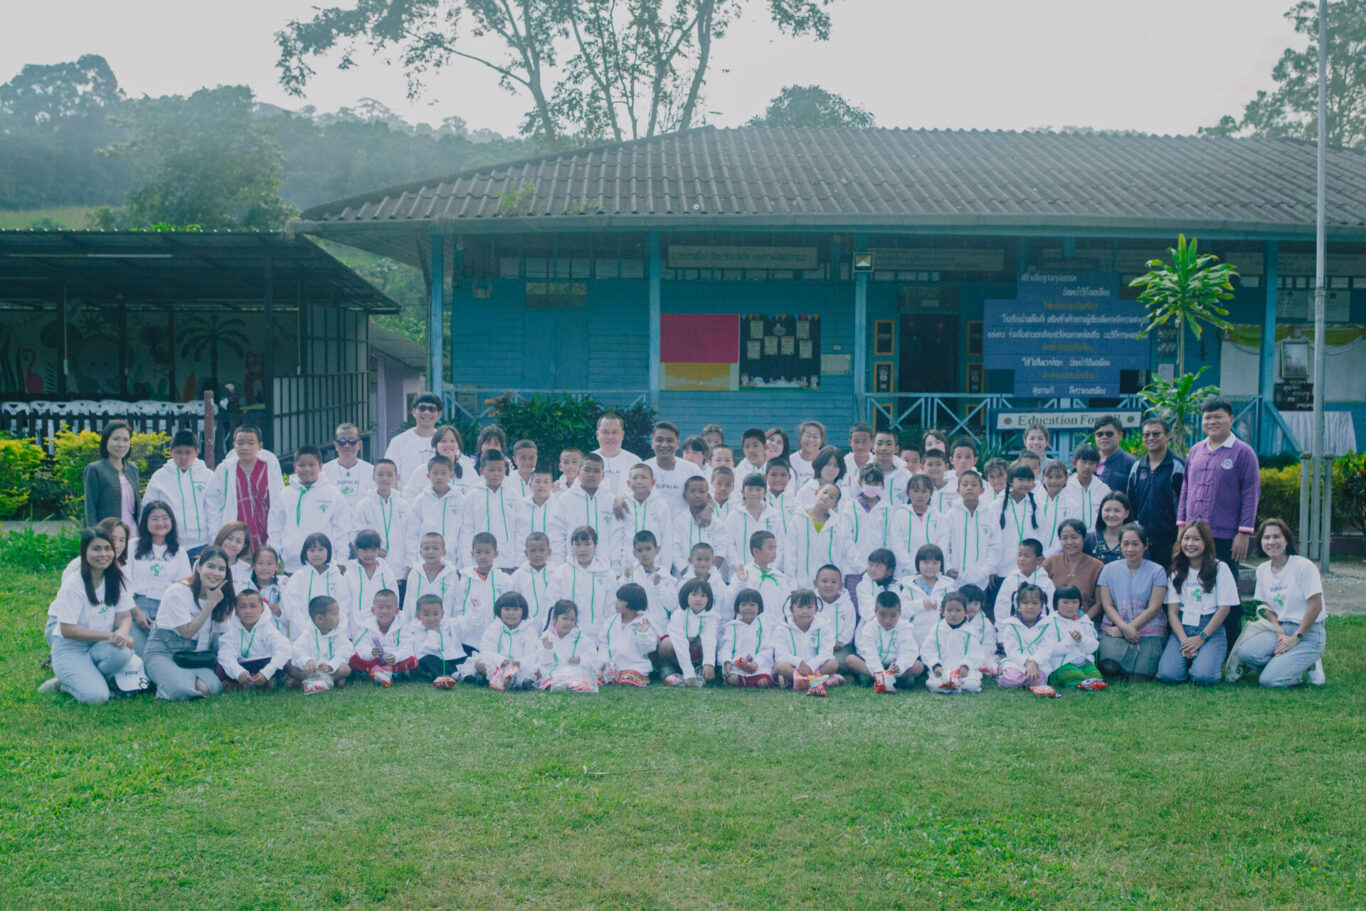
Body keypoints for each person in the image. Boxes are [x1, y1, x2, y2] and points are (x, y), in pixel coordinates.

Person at [1177, 397, 1260, 647]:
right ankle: (1195, 642)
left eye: (1218, 417)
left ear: (1231, 419)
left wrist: (1244, 532)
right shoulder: (1195, 450)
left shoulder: (1243, 452)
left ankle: (1233, 646)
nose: (1212, 422)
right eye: (1208, 417)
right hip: (1193, 537)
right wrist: (1182, 526)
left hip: (1225, 536)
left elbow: (1251, 493)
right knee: (1195, 589)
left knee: (1227, 593)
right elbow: (1186, 489)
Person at [42, 527, 135, 704]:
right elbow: (67, 630)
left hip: (98, 645)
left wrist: (122, 632)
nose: (103, 554)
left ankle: (82, 678)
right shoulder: (74, 583)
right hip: (70, 648)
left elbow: (124, 616)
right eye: (96, 549)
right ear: (84, 552)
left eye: (107, 548)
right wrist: (109, 635)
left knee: (123, 652)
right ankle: (64, 683)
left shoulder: (116, 578)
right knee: (97, 697)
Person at [1230, 518, 1327, 687]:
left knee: (1268, 681)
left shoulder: (1304, 566)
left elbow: (1315, 606)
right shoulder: (1262, 570)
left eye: (1276, 537)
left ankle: (1311, 663)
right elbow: (1267, 608)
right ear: (1260, 542)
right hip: (1281, 628)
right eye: (1266, 537)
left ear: (1286, 540)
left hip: (1308, 632)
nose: (1271, 542)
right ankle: (1292, 666)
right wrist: (1280, 635)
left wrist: (1296, 638)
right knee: (1245, 653)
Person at [144, 546, 235, 701]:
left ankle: (178, 679)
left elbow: (223, 635)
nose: (215, 573)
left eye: (221, 569)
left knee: (210, 687)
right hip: (164, 651)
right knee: (181, 691)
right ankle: (167, 680)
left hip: (194, 655)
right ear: (199, 567)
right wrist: (210, 605)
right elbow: (187, 632)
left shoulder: (220, 595)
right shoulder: (178, 591)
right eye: (211, 566)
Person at [1157, 520, 1237, 686]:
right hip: (1182, 628)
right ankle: (1190, 658)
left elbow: (1224, 609)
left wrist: (1201, 638)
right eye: (1186, 538)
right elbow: (1172, 612)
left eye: (1196, 539)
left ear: (1206, 542)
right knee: (1168, 675)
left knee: (1204, 677)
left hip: (1210, 630)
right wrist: (1184, 640)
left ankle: (1202, 659)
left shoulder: (1220, 568)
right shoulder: (1176, 571)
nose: (1190, 544)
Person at [1095, 523, 1169, 680]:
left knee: (1141, 674)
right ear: (1120, 545)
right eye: (1125, 544)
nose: (1130, 549)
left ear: (1145, 545)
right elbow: (1107, 605)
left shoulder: (1157, 571)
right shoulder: (1108, 570)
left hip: (1149, 628)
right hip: (1117, 624)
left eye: (1135, 544)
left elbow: (1154, 607)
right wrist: (1123, 628)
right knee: (1109, 663)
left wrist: (1131, 628)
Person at [203, 425, 284, 551]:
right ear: (234, 445)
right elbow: (212, 504)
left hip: (265, 533)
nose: (245, 447)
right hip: (235, 535)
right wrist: (216, 536)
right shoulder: (224, 470)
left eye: (251, 443)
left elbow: (279, 503)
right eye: (240, 443)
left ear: (260, 446)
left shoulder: (270, 468)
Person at [129, 501, 192, 655]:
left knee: (158, 654)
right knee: (139, 653)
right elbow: (123, 583)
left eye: (165, 518)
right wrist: (137, 613)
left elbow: (184, 587)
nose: (160, 523)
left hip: (165, 608)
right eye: (155, 518)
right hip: (136, 605)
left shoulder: (179, 552)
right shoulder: (132, 546)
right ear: (145, 522)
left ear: (172, 521)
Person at [280, 445, 352, 574]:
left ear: (320, 466)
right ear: (295, 466)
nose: (307, 469)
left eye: (311, 465)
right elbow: (275, 528)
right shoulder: (285, 494)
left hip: (325, 566)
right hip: (292, 565)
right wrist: (275, 556)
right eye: (302, 465)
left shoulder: (333, 494)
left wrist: (342, 560)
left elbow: (342, 529)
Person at [143, 429, 214, 554]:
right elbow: (147, 509)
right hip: (169, 544)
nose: (183, 457)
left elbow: (214, 509)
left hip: (202, 544)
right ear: (170, 452)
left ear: (196, 452)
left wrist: (214, 541)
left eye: (188, 453)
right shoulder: (159, 477)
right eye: (178, 452)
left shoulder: (208, 476)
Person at [1126, 417, 1184, 568]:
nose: (1151, 438)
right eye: (1146, 434)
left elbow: (1185, 507)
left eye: (1156, 434)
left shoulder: (1177, 467)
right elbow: (1131, 506)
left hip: (1169, 542)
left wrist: (1180, 539)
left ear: (1167, 435)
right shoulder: (1137, 467)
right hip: (1142, 543)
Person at [457, 449, 528, 572]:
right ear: (481, 471)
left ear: (505, 470)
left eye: (500, 470)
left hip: (508, 562)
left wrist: (519, 562)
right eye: (491, 470)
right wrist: (469, 563)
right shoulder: (473, 496)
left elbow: (521, 530)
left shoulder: (514, 495)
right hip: (480, 563)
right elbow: (467, 530)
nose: (496, 474)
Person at [547, 453, 622, 569]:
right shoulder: (565, 500)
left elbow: (617, 536)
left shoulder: (612, 501)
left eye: (596, 471)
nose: (591, 474)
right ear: (578, 473)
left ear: (603, 475)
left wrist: (616, 567)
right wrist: (559, 566)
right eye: (587, 470)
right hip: (572, 568)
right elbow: (556, 534)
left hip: (604, 569)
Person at [618, 531, 678, 661]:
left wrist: (658, 586)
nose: (644, 553)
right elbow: (622, 598)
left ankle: (664, 666)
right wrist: (625, 579)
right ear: (634, 553)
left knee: (668, 645)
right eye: (640, 550)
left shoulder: (664, 574)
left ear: (657, 550)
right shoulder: (630, 573)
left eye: (648, 549)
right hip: (639, 623)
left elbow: (672, 604)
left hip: (661, 625)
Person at [215, 589, 292, 691]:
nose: (248, 611)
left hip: (264, 665)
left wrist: (266, 673)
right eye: (242, 607)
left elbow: (284, 649)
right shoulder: (232, 631)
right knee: (220, 668)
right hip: (243, 666)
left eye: (253, 606)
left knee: (287, 663)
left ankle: (254, 683)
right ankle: (249, 684)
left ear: (262, 609)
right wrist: (239, 672)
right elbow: (226, 655)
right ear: (236, 611)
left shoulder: (268, 628)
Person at [549, 526, 615, 641]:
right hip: (565, 638)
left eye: (587, 544)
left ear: (595, 545)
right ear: (572, 546)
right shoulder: (561, 572)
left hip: (597, 639)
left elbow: (611, 611)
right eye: (578, 544)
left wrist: (606, 639)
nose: (582, 549)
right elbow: (551, 606)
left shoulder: (607, 574)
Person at [848, 590, 922, 690]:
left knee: (918, 666)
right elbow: (870, 654)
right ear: (875, 612)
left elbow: (908, 651)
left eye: (892, 616)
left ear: (899, 613)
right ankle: (883, 679)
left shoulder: (905, 627)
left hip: (894, 668)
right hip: (874, 667)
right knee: (850, 660)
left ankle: (882, 679)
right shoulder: (869, 628)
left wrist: (899, 666)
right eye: (882, 615)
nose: (887, 621)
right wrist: (880, 673)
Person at [452, 532, 509, 656]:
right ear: (472, 554)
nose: (483, 556)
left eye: (487, 552)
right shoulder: (465, 579)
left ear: (496, 554)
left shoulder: (504, 580)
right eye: (478, 552)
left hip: (495, 638)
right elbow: (458, 608)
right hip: (468, 638)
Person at [351, 458, 410, 579]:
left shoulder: (403, 505)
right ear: (373, 477)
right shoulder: (364, 505)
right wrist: (373, 550)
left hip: (400, 570)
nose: (385, 478)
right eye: (380, 474)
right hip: (371, 568)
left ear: (396, 478)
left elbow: (411, 537)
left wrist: (410, 563)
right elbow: (356, 536)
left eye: (389, 475)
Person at [771, 588, 841, 690]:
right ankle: (820, 681)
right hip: (794, 668)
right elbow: (781, 654)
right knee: (780, 666)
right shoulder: (782, 628)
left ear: (816, 610)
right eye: (800, 607)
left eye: (809, 607)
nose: (805, 612)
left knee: (832, 664)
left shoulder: (823, 627)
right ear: (791, 609)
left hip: (815, 667)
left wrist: (811, 665)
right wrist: (799, 662)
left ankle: (797, 682)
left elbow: (826, 652)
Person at [941, 470, 998, 593]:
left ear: (982, 490)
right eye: (965, 485)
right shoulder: (951, 515)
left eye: (974, 485)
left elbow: (995, 546)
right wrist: (947, 567)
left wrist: (986, 570)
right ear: (958, 490)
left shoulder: (989, 515)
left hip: (981, 580)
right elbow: (944, 544)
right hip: (956, 578)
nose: (969, 488)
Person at [282, 533, 345, 640]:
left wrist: (330, 629)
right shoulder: (298, 577)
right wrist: (306, 631)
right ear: (305, 552)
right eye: (312, 550)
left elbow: (343, 605)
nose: (316, 554)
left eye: (321, 550)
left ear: (328, 551)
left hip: (332, 635)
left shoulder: (336, 577)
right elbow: (292, 608)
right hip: (302, 636)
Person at [995, 583, 1059, 690]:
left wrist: (1034, 662)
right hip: (1017, 662)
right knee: (1012, 681)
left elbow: (1046, 648)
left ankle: (1025, 679)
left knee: (1037, 682)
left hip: (1038, 663)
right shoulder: (1011, 625)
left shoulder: (1047, 625)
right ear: (1018, 605)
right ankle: (1004, 674)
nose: (1030, 607)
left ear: (1042, 605)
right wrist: (1027, 663)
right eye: (1025, 603)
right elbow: (1012, 651)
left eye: (1035, 603)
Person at [405, 455, 464, 571]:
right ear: (428, 476)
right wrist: (412, 562)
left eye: (443, 473)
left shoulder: (460, 500)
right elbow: (412, 533)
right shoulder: (421, 500)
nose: (439, 477)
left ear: (451, 476)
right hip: (425, 562)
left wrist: (461, 564)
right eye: (435, 473)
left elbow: (462, 533)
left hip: (452, 562)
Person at [842, 466, 895, 591]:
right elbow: (845, 539)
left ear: (882, 484)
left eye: (876, 483)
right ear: (860, 482)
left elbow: (890, 539)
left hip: (880, 573)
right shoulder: (851, 507)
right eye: (868, 482)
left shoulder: (887, 509)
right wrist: (861, 567)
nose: (872, 487)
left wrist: (881, 567)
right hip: (854, 570)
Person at [784, 482, 848, 587]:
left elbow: (839, 556)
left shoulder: (836, 526)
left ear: (835, 505)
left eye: (831, 497)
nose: (826, 497)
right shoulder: (799, 520)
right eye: (825, 492)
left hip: (826, 586)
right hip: (802, 584)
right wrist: (791, 583)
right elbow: (790, 553)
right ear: (817, 493)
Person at [922, 591, 986, 694]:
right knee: (932, 684)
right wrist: (935, 665)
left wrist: (966, 666)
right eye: (949, 610)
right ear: (942, 612)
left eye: (958, 610)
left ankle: (956, 686)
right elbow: (928, 650)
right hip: (943, 671)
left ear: (965, 611)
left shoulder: (969, 631)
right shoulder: (937, 630)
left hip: (963, 673)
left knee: (972, 685)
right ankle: (953, 686)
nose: (953, 614)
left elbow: (976, 653)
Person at [347, 589, 416, 684]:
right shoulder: (367, 626)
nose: (384, 611)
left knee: (413, 661)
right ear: (373, 610)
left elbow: (408, 647)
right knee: (354, 659)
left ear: (396, 610)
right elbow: (360, 646)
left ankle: (389, 671)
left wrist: (396, 656)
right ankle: (377, 671)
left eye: (388, 607)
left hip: (393, 660)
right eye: (380, 607)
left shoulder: (402, 626)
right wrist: (371, 652)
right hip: (375, 661)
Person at [342, 529, 401, 638]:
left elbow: (394, 602)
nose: (368, 554)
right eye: (364, 550)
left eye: (373, 550)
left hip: (382, 631)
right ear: (356, 548)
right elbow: (344, 606)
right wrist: (346, 634)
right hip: (356, 630)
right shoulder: (349, 574)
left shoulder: (387, 573)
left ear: (379, 550)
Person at [1043, 520, 1104, 621]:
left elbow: (1099, 603)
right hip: (1053, 621)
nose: (1069, 542)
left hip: (1085, 621)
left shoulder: (1097, 566)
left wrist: (1082, 621)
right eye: (1064, 538)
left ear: (1084, 538)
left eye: (1074, 537)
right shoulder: (1050, 562)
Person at [83, 420, 140, 529]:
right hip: (108, 533)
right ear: (106, 440)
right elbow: (90, 508)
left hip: (133, 532)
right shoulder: (95, 470)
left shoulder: (133, 469)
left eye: (126, 440)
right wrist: (95, 534)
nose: (121, 444)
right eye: (116, 439)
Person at [289, 595, 354, 691]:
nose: (338, 618)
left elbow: (345, 651)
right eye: (335, 614)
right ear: (319, 619)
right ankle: (324, 683)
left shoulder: (338, 633)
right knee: (293, 668)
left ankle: (320, 684)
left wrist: (331, 665)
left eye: (338, 614)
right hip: (312, 671)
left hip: (329, 671)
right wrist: (307, 661)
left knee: (346, 669)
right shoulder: (308, 633)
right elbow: (298, 650)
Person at [673, 476, 734, 575]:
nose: (697, 495)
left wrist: (709, 574)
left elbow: (721, 550)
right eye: (693, 491)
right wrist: (687, 574)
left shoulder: (717, 523)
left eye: (701, 492)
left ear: (708, 496)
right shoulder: (678, 522)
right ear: (684, 496)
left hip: (711, 577)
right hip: (684, 577)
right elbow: (675, 552)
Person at [1047, 586, 1105, 689]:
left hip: (1083, 660)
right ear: (1056, 603)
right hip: (1062, 662)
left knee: (1096, 678)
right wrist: (1070, 641)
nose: (1070, 606)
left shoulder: (1084, 621)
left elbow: (1093, 646)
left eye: (1074, 602)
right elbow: (1051, 649)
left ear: (1080, 604)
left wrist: (1081, 639)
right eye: (1065, 602)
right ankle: (1057, 676)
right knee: (1074, 678)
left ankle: (1085, 679)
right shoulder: (1051, 622)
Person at [474, 592, 537, 687]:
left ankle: (519, 682)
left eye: (515, 609)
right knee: (479, 664)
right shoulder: (494, 627)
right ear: (499, 610)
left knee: (537, 670)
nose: (511, 613)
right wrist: (501, 660)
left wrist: (520, 663)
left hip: (520, 667)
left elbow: (531, 653)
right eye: (507, 609)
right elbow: (486, 650)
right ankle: (504, 680)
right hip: (499, 665)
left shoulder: (529, 630)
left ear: (523, 611)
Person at [617, 464, 672, 571]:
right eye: (635, 478)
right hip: (628, 566)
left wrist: (665, 569)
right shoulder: (624, 504)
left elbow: (666, 538)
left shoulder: (661, 505)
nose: (639, 481)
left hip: (655, 567)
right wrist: (618, 568)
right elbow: (618, 536)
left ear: (652, 482)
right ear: (628, 483)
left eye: (644, 477)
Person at [602, 584, 658, 687]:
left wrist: (643, 633)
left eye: (621, 600)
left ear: (633, 602)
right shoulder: (610, 622)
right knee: (599, 678)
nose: (616, 603)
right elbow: (604, 644)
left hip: (635, 666)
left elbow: (648, 648)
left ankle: (633, 677)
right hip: (613, 665)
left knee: (627, 679)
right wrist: (603, 662)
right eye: (617, 599)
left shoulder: (644, 622)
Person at [383, 392, 444, 487]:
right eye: (422, 408)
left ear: (439, 414)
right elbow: (388, 474)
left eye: (431, 409)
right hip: (407, 496)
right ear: (414, 412)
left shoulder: (445, 442)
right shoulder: (398, 442)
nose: (426, 413)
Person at [644, 421, 705, 514]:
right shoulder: (643, 469)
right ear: (652, 443)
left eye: (670, 440)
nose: (664, 445)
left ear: (677, 444)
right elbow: (627, 496)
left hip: (683, 522)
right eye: (659, 440)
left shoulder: (692, 470)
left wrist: (707, 510)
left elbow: (709, 496)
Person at [730, 530, 794, 619]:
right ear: (756, 551)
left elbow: (787, 606)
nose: (774, 552)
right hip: (752, 625)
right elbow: (731, 602)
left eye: (775, 548)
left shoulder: (780, 577)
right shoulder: (743, 574)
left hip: (777, 625)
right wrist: (741, 583)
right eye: (770, 548)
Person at [534, 601, 602, 682]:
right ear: (554, 618)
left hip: (576, 675)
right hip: (553, 676)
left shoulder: (580, 638)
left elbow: (593, 657)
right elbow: (544, 664)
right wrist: (547, 650)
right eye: (565, 618)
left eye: (572, 620)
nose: (569, 623)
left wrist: (581, 660)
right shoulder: (547, 638)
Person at [666, 579, 718, 686]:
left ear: (709, 599)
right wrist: (688, 672)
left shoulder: (711, 616)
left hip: (696, 652)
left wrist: (709, 663)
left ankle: (702, 671)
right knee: (666, 644)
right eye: (694, 595)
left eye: (703, 596)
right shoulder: (678, 615)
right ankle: (666, 669)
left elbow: (709, 639)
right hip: (677, 653)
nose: (698, 599)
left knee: (708, 642)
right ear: (686, 596)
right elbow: (680, 642)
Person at [892, 474, 944, 579]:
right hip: (905, 573)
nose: (919, 495)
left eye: (924, 491)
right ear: (907, 493)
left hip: (931, 572)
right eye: (915, 491)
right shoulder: (900, 515)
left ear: (931, 493)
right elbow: (896, 544)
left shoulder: (939, 517)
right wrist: (912, 568)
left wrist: (929, 567)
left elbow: (942, 544)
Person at [720, 588, 775, 687]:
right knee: (732, 679)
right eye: (744, 605)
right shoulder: (732, 627)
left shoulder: (765, 627)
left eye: (752, 605)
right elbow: (726, 648)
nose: (748, 608)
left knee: (763, 682)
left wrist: (755, 663)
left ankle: (748, 681)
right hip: (737, 665)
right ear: (737, 607)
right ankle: (744, 681)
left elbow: (767, 650)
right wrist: (726, 661)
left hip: (758, 666)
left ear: (759, 607)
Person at [993, 539, 1056, 623]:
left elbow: (1052, 608)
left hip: (1041, 628)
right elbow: (1001, 608)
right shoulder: (1010, 580)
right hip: (1014, 628)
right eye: (1019, 555)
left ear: (1039, 559)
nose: (1021, 559)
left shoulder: (1046, 582)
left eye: (1026, 556)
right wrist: (1004, 628)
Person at [403, 425, 471, 499]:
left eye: (452, 441)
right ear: (435, 445)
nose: (448, 445)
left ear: (458, 445)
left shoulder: (469, 471)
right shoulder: (422, 471)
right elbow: (407, 497)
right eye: (443, 441)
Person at [409, 594, 463, 685]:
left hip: (448, 659)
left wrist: (476, 609)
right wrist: (434, 633)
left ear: (442, 614)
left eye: (435, 614)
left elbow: (469, 622)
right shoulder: (415, 630)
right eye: (426, 615)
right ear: (418, 616)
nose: (431, 618)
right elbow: (427, 650)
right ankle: (448, 676)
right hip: (431, 662)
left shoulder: (448, 624)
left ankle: (463, 675)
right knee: (427, 660)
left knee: (465, 658)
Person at [402, 532, 457, 623]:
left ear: (444, 552)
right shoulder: (415, 573)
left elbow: (456, 605)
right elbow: (407, 604)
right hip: (416, 627)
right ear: (420, 552)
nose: (431, 552)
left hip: (443, 627)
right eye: (426, 548)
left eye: (435, 548)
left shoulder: (451, 575)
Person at [510, 531, 557, 630]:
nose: (537, 554)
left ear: (549, 552)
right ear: (526, 553)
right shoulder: (517, 576)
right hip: (524, 627)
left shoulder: (556, 574)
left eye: (542, 550)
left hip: (551, 627)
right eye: (533, 551)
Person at [321, 422, 374, 505]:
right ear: (335, 445)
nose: (347, 445)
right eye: (342, 441)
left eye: (352, 441)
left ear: (359, 444)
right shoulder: (324, 471)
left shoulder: (372, 471)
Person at [592, 412, 641, 497]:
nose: (610, 437)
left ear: (622, 435)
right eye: (605, 432)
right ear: (597, 434)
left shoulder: (635, 462)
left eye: (615, 432)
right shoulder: (588, 461)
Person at [1065, 445, 1110, 528]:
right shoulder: (1065, 487)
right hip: (1071, 534)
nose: (1087, 467)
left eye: (1092, 463)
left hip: (1096, 534)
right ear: (1074, 463)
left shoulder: (1103, 489)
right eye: (1083, 462)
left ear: (1097, 466)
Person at [1089, 492, 1134, 565]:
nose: (1111, 515)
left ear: (1126, 513)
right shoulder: (1088, 540)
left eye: (1117, 511)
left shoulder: (1136, 541)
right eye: (1107, 510)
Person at [794, 445, 845, 510]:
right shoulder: (806, 491)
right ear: (820, 465)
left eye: (836, 465)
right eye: (828, 464)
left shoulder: (844, 490)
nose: (831, 469)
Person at [1092, 415, 1136, 489]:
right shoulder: (1089, 459)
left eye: (1109, 434)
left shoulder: (1131, 463)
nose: (1104, 437)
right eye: (1099, 434)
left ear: (1120, 435)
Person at [213, 521, 254, 590]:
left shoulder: (248, 569)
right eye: (229, 538)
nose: (233, 544)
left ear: (244, 545)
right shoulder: (206, 562)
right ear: (222, 537)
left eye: (238, 541)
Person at [788, 420, 826, 486]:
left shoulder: (826, 460)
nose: (811, 439)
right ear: (800, 437)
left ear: (821, 440)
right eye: (808, 435)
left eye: (816, 436)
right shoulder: (790, 461)